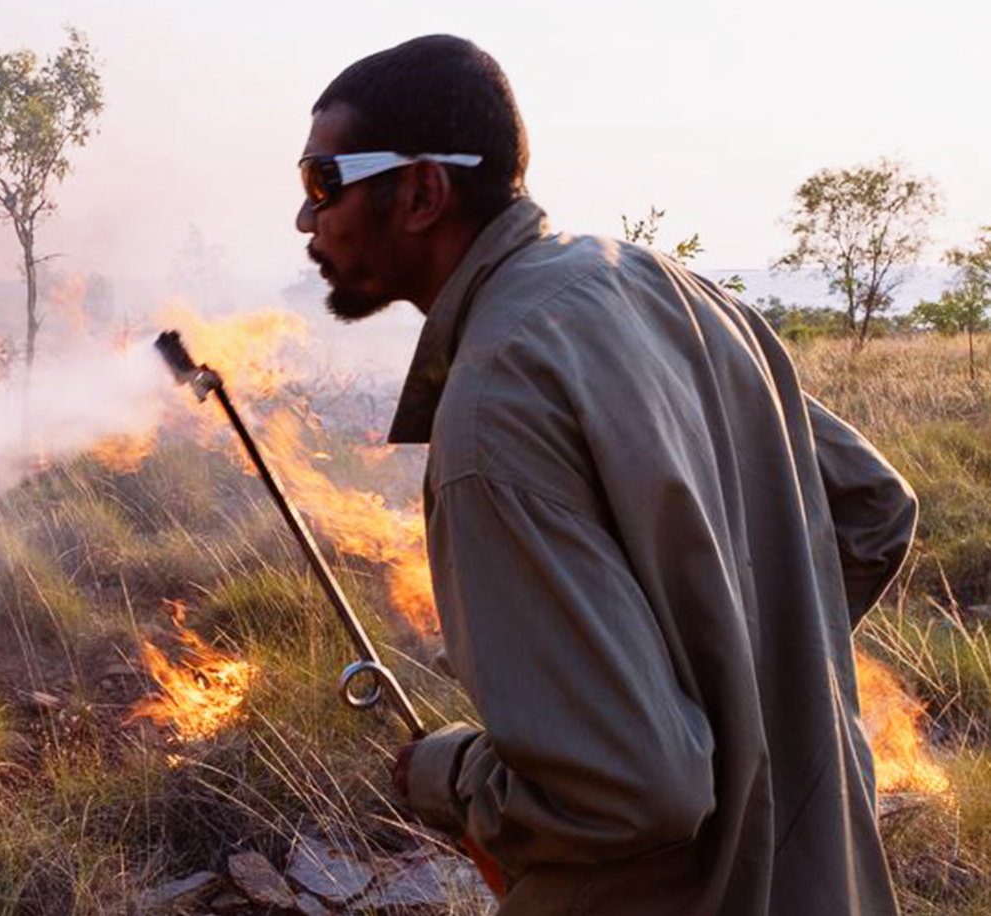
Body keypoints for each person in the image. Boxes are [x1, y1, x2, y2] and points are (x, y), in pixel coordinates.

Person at [297, 35, 916, 915]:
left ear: (423, 190)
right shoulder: (675, 293)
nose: (306, 219)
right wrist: (743, 684)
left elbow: (635, 790)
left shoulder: (492, 400)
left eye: (323, 182)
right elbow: (873, 509)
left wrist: (448, 774)